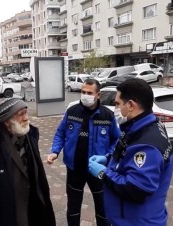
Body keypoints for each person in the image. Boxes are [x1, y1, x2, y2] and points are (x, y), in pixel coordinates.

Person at [88, 78, 173, 226]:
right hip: (127, 218)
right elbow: (126, 157)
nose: (116, 109)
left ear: (131, 105)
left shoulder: (147, 146)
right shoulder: (138, 127)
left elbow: (135, 188)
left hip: (138, 221)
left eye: (117, 104)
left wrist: (103, 173)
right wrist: (108, 159)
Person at [47, 79, 120, 226]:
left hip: (98, 170)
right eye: (83, 92)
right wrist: (55, 151)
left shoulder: (107, 115)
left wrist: (107, 157)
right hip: (74, 168)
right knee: (73, 207)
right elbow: (60, 133)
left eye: (89, 93)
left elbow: (116, 141)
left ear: (98, 95)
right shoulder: (72, 112)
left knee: (103, 208)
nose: (85, 95)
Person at [0, 98, 55, 226]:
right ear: (6, 121)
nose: (26, 118)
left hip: (33, 209)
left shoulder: (30, 135)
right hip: (8, 215)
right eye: (21, 114)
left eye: (26, 112)